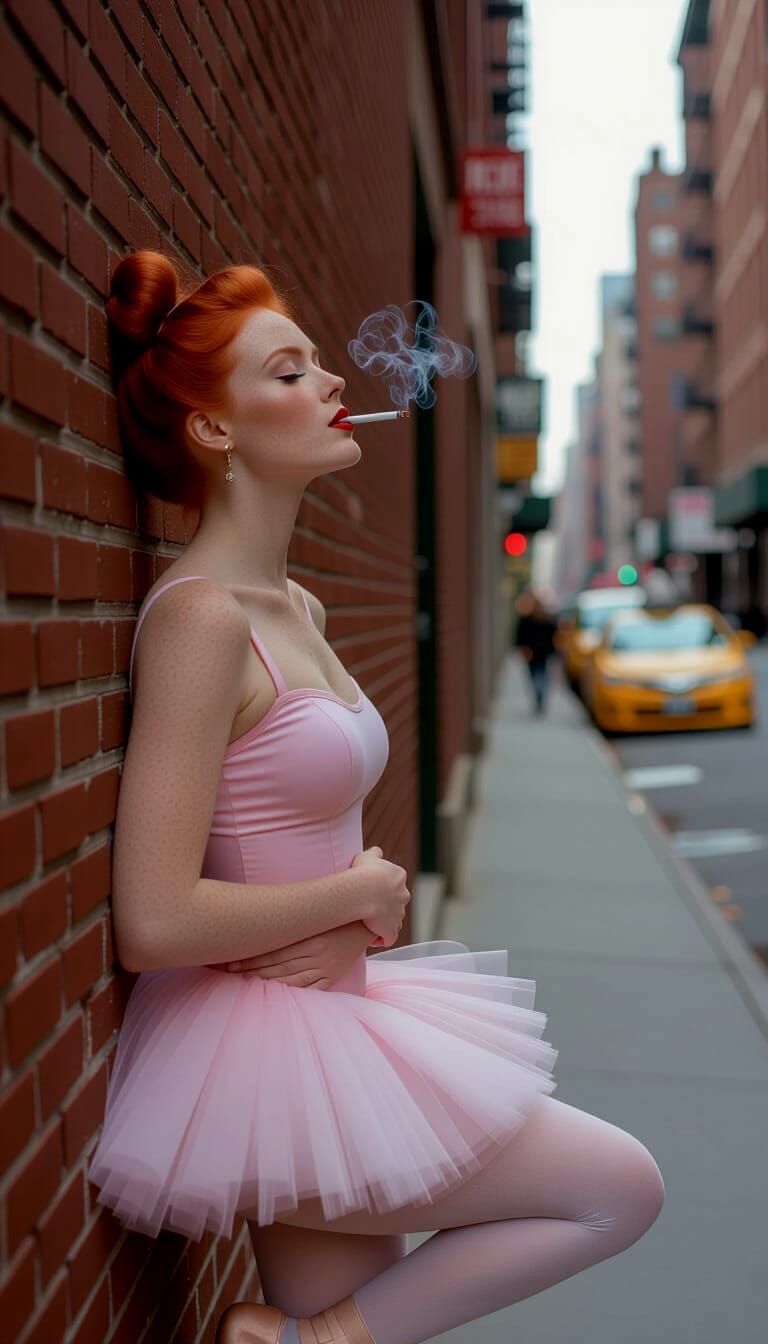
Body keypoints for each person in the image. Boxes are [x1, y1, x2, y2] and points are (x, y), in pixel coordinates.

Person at [89, 250, 664, 1344]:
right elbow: (154, 920)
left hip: (336, 1032)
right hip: (268, 1052)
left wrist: (361, 906)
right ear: (215, 429)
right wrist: (363, 885)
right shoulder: (203, 620)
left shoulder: (293, 603)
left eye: (318, 364)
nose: (331, 385)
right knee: (619, 1187)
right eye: (290, 371)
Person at [515, 591, 558, 714]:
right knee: (534, 677)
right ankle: (537, 697)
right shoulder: (526, 621)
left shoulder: (547, 621)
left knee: (542, 677)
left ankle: (540, 698)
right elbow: (520, 636)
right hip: (531, 655)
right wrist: (523, 649)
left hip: (543, 654)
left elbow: (554, 635)